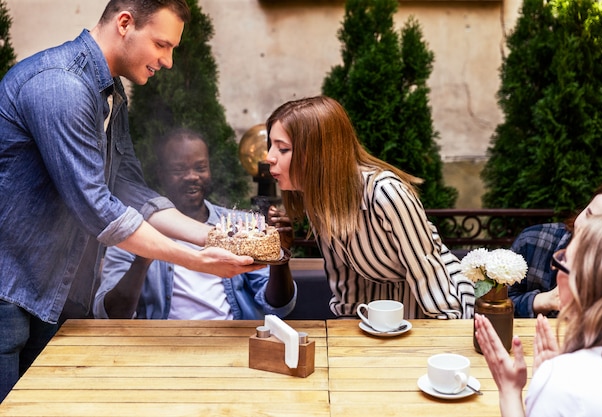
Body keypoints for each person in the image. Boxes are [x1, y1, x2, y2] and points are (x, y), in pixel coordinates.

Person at [0, 0, 261, 402]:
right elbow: (97, 206)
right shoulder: (61, 85)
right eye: (162, 44)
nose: (169, 61)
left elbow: (129, 189)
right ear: (125, 23)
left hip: (51, 294)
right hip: (8, 292)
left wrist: (216, 238)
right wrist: (195, 260)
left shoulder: (110, 94)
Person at [265, 96, 474, 320]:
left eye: (283, 149)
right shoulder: (317, 199)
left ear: (318, 153)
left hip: (440, 305)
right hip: (381, 312)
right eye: (271, 146)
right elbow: (345, 279)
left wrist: (447, 336)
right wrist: (345, 329)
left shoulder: (385, 193)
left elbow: (427, 273)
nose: (269, 158)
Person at [94, 128, 297, 320]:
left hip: (230, 342)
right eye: (179, 169)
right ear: (161, 174)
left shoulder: (240, 229)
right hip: (164, 346)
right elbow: (109, 315)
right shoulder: (135, 231)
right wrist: (145, 254)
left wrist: (279, 255)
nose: (192, 177)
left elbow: (278, 307)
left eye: (200, 168)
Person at [475, 208, 602, 417]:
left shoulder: (565, 384)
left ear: (569, 282)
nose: (555, 269)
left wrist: (510, 392)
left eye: (562, 260)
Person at [509, 177, 602, 317]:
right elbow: (491, 304)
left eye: (599, 226)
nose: (584, 228)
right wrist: (542, 300)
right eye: (588, 214)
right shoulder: (534, 240)